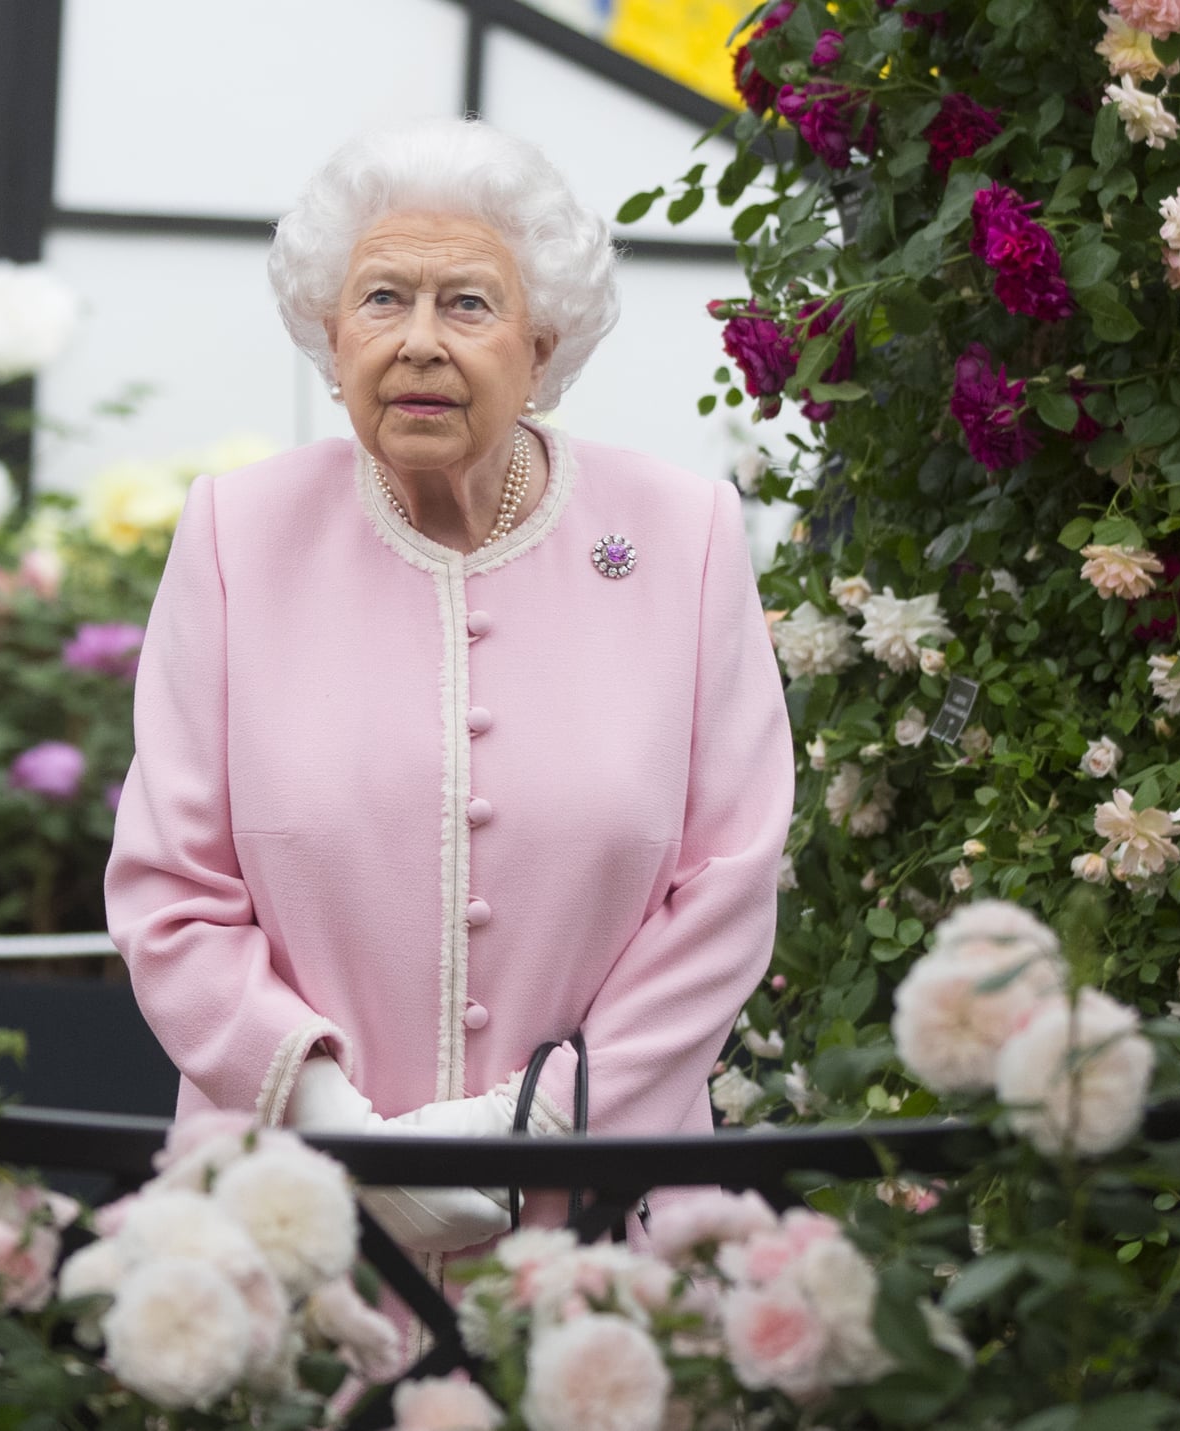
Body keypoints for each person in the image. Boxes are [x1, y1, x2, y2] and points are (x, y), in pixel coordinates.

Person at [104, 118, 793, 1253]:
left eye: (466, 303)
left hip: (601, 1227)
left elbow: (724, 893)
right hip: (298, 1218)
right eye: (382, 300)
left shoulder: (683, 537)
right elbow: (173, 893)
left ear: (544, 341)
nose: (419, 341)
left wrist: (518, 1132)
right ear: (330, 339)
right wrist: (340, 1133)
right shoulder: (235, 534)